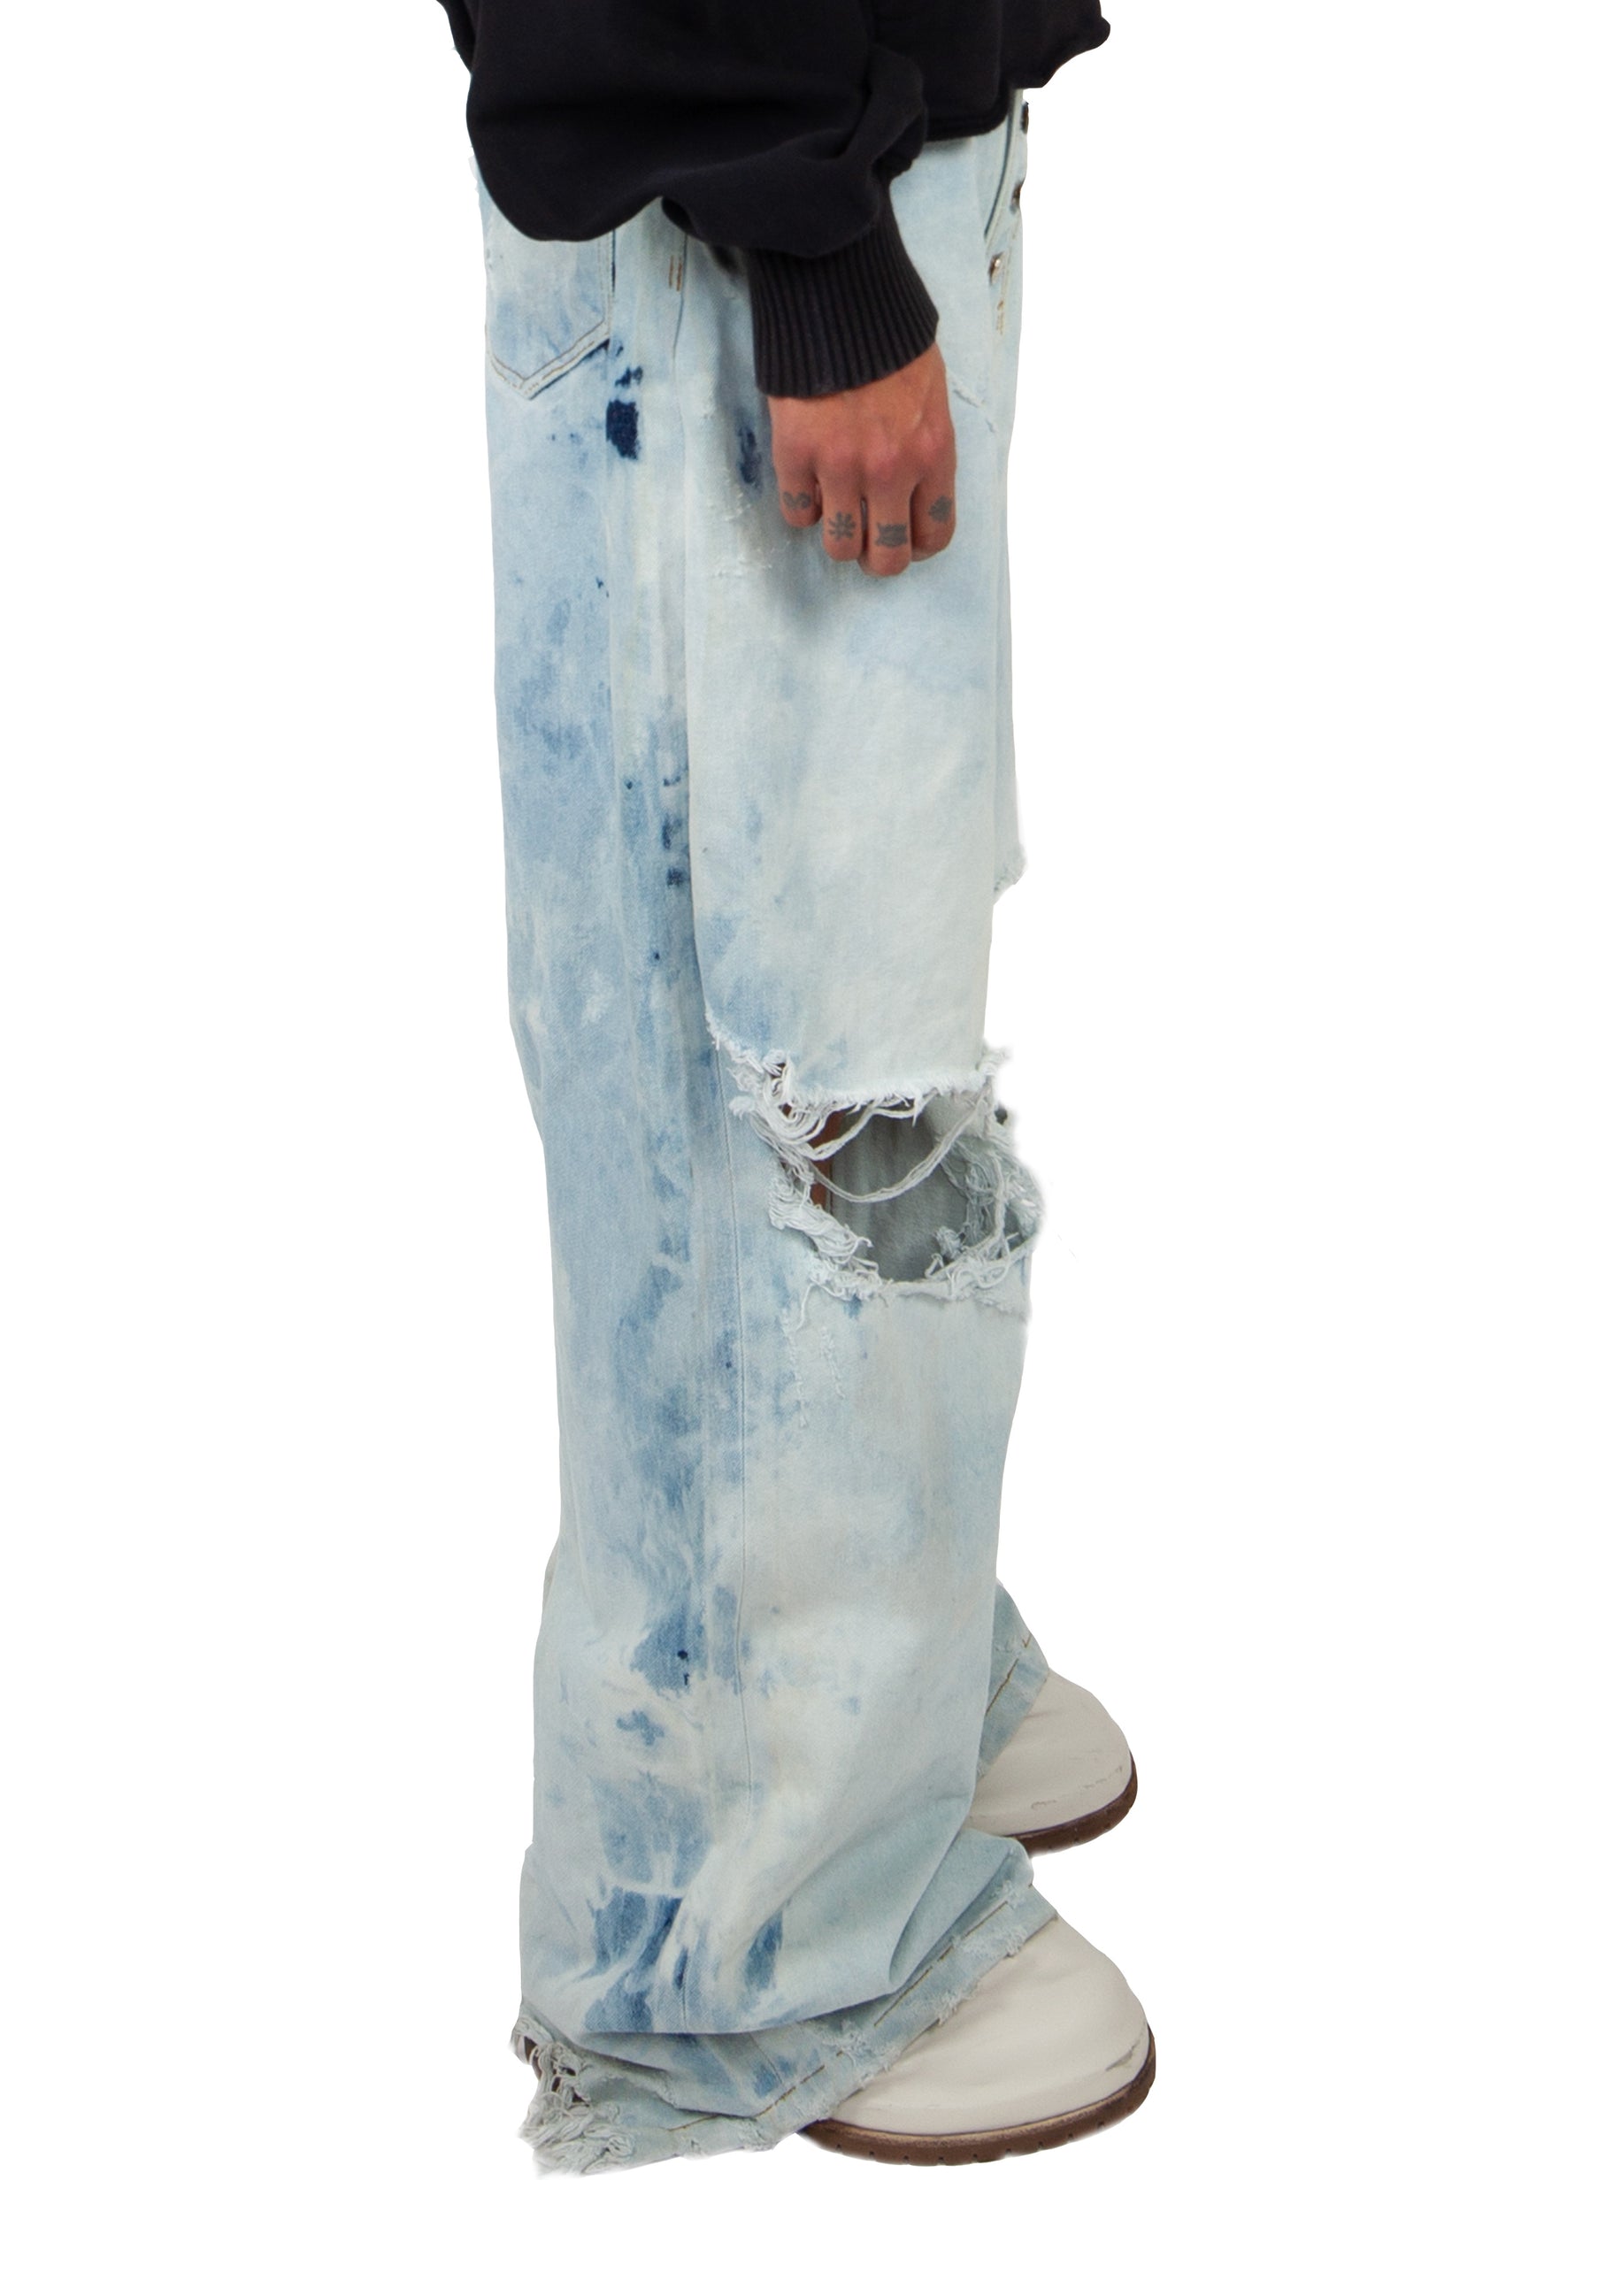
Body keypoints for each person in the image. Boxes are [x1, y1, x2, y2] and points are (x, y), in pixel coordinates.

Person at [433, 0, 1153, 2171]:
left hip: (858, 135)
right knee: (763, 1098)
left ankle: (868, 1685)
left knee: (875, 1017)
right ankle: (738, 1922)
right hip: (737, 212)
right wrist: (798, 214)